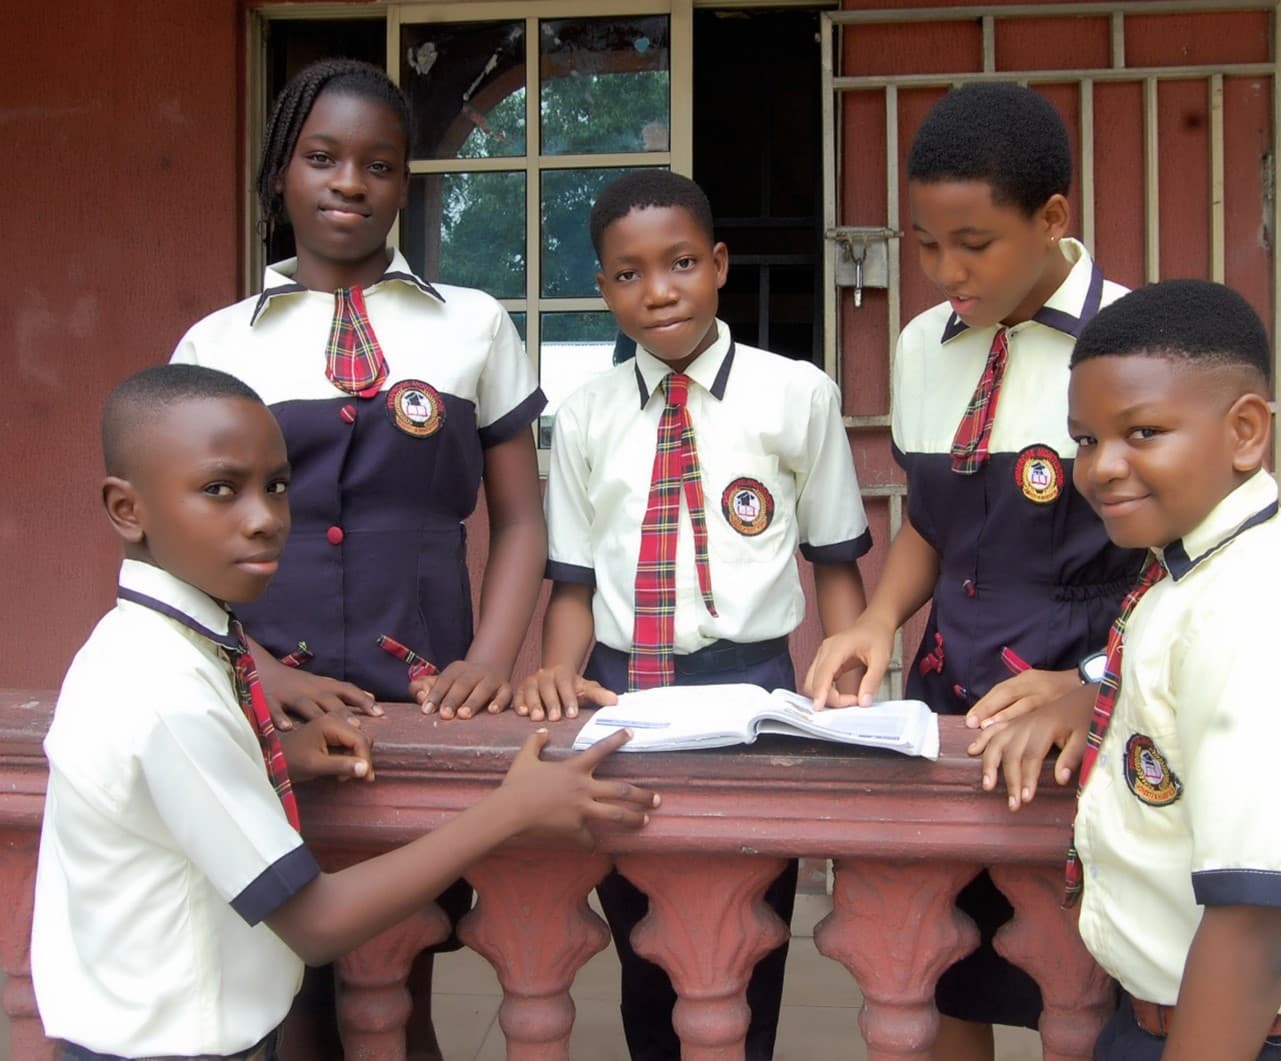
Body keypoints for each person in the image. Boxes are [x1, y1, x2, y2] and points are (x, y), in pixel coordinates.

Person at [31, 364, 656, 1061]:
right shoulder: (162, 689)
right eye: (219, 489)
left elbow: (161, 798)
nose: (265, 517)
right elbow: (318, 923)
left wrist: (275, 759)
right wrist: (512, 809)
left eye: (275, 485)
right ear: (127, 508)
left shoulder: (153, 641)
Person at [171, 59, 547, 1056]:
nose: (349, 182)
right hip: (266, 699)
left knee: (398, 971)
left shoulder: (471, 325)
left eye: (378, 164)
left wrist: (489, 660)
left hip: (420, 696)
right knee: (282, 986)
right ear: (280, 173)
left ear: (404, 183)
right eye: (322, 158)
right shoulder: (215, 345)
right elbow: (182, 549)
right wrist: (262, 669)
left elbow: (518, 520)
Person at [973, 279, 1281, 1059]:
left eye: (1143, 431)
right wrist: (1092, 695)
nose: (1102, 468)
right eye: (1085, 440)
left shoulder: (1264, 608)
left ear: (1245, 431)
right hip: (1181, 1018)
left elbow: (1259, 915)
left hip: (1280, 1037)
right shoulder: (1194, 572)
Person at [804, 82, 1142, 1058]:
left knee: (1079, 981)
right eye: (924, 243)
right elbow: (936, 525)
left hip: (1083, 711)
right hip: (952, 703)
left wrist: (1090, 691)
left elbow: (1179, 570)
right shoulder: (922, 345)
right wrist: (875, 622)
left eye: (973, 243)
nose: (944, 270)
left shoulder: (1135, 343)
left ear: (1050, 220)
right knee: (944, 962)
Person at [513, 169, 871, 1060]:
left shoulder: (798, 395)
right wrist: (559, 676)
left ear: (717, 264)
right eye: (628, 273)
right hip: (622, 687)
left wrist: (850, 675)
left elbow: (834, 562)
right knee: (642, 928)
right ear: (602, 289)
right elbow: (570, 578)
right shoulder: (585, 414)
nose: (658, 289)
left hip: (755, 685)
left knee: (753, 925)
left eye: (678, 263)